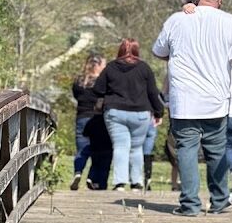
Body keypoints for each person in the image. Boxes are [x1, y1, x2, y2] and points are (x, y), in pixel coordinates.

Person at [153, 0, 232, 216]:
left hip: (184, 100)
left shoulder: (177, 20)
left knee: (186, 149)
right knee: (216, 150)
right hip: (215, 100)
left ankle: (190, 205)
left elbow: (159, 51)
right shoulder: (231, 23)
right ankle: (219, 200)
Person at [181, 5, 232, 192]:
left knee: (214, 149)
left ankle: (217, 186)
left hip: (218, 112)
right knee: (229, 147)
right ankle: (231, 172)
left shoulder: (219, 72)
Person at [94, 38, 164, 191]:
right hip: (140, 114)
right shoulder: (144, 68)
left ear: (120, 50)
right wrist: (159, 112)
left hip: (115, 112)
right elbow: (153, 93)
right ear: (136, 50)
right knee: (137, 148)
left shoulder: (111, 67)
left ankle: (120, 182)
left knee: (120, 146)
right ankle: (137, 183)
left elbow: (98, 89)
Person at [70, 54, 106, 191]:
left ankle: (78, 172)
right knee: (97, 150)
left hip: (81, 117)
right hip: (97, 118)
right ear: (97, 66)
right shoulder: (101, 82)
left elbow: (76, 96)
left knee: (81, 149)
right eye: (103, 65)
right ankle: (92, 177)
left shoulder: (79, 81)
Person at [82, 104, 113, 190]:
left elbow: (85, 133)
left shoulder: (91, 121)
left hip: (95, 148)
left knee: (95, 165)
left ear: (94, 108)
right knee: (105, 168)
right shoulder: (108, 122)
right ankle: (102, 185)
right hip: (107, 148)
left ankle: (93, 180)